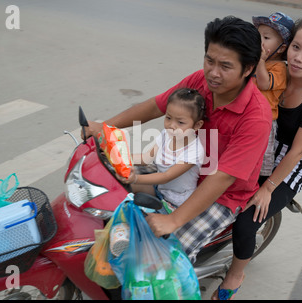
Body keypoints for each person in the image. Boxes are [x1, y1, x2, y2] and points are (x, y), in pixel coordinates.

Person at [82, 16, 272, 263]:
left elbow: (222, 177)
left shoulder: (256, 116)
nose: (213, 73)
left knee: (163, 257)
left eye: (225, 66)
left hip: (221, 194)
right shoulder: (199, 82)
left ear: (248, 69)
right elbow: (155, 106)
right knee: (108, 176)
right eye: (209, 60)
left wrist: (174, 220)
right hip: (178, 165)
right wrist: (105, 127)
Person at [212, 16, 302, 300]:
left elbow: (297, 151)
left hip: (287, 164)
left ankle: (235, 273)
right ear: (286, 46)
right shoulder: (272, 71)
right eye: (295, 47)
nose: (298, 58)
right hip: (256, 146)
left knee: (247, 220)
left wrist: (268, 188)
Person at [117, 88, 205, 208]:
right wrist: (119, 157)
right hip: (159, 189)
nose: (172, 126)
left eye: (180, 122)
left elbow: (166, 176)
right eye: (168, 118)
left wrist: (135, 178)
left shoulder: (194, 151)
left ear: (196, 125)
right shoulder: (166, 134)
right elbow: (146, 158)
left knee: (139, 216)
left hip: (176, 202)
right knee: (119, 186)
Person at [252, 12, 294, 178]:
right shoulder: (253, 61)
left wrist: (261, 61)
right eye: (258, 36)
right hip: (247, 115)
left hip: (265, 120)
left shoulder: (279, 67)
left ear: (281, 48)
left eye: (266, 38)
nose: (259, 41)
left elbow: (264, 83)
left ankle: (260, 182)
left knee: (262, 156)